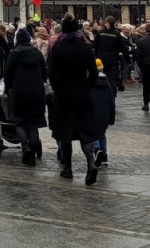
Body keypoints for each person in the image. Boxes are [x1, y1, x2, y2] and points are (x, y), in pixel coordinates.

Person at [48, 17, 100, 185]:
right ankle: (91, 164)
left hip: (64, 93)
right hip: (82, 92)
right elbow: (93, 72)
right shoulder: (85, 47)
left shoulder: (58, 48)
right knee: (85, 132)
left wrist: (57, 88)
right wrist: (87, 86)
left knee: (66, 132)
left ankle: (68, 168)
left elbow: (52, 72)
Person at [2, 27, 48, 166]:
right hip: (36, 92)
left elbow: (7, 74)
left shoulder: (14, 54)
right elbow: (44, 72)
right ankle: (33, 150)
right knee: (32, 123)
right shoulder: (37, 53)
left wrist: (8, 89)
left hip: (19, 92)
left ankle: (26, 147)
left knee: (20, 122)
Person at [90, 58, 117, 167]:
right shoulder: (107, 83)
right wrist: (112, 117)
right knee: (102, 134)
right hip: (104, 115)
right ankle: (104, 156)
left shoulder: (90, 83)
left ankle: (97, 150)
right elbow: (111, 102)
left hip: (92, 114)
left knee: (92, 134)